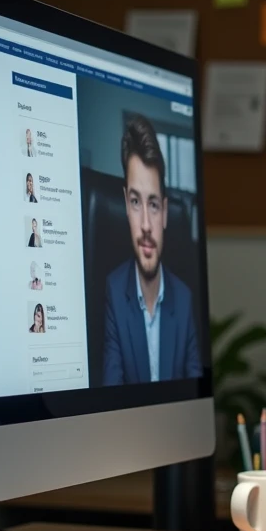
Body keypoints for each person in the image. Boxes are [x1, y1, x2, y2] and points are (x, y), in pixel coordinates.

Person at [101, 115, 202, 385]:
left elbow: (194, 394)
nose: (146, 225)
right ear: (126, 205)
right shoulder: (113, 290)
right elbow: (111, 393)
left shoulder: (184, 298)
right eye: (136, 202)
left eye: (154, 205)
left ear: (165, 213)